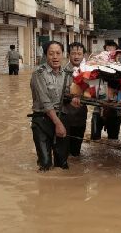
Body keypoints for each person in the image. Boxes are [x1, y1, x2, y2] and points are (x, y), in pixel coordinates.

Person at [30, 41, 69, 171]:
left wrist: (74, 100)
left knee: (62, 164)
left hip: (61, 118)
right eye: (51, 53)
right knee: (45, 164)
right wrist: (58, 124)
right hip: (42, 120)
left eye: (58, 53)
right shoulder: (39, 73)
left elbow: (70, 95)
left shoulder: (67, 74)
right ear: (46, 55)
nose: (55, 57)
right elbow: (45, 102)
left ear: (63, 55)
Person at [91, 40, 121, 140]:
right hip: (98, 108)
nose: (109, 50)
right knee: (95, 139)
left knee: (113, 140)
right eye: (107, 48)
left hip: (115, 109)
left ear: (116, 51)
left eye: (112, 48)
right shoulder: (98, 63)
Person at [64, 42, 88, 156]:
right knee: (64, 152)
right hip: (64, 118)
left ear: (84, 56)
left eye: (79, 53)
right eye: (73, 53)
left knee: (76, 153)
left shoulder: (88, 72)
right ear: (68, 54)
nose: (76, 56)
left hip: (80, 118)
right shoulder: (62, 71)